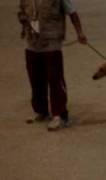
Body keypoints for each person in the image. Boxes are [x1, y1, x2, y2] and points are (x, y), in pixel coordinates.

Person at [18, 0, 87, 131]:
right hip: (32, 42)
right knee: (35, 78)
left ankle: (60, 115)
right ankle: (41, 111)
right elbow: (22, 11)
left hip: (52, 41)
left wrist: (80, 33)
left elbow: (72, 13)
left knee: (55, 79)